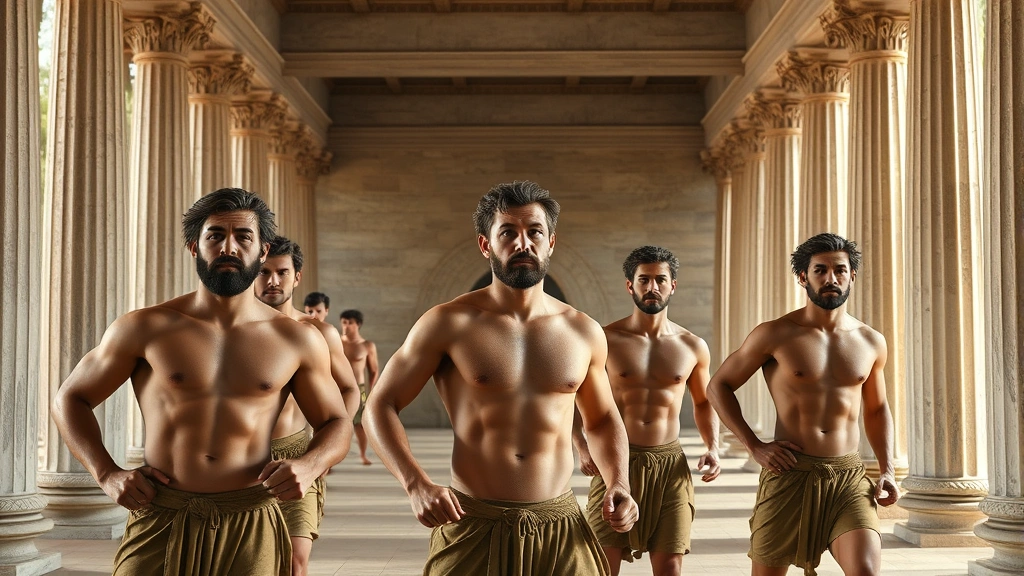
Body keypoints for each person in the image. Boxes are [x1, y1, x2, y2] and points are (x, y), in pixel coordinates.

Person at [51, 188, 352, 576]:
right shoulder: (145, 327)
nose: (229, 247)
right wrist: (107, 473)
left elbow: (337, 422)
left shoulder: (296, 339)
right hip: (161, 512)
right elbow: (70, 399)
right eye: (215, 236)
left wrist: (311, 464)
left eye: (243, 237)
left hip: (252, 517)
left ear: (262, 251)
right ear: (195, 247)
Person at [363, 181, 638, 576]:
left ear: (551, 242)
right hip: (472, 521)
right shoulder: (447, 323)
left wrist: (620, 483)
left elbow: (601, 418)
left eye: (534, 232)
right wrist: (415, 483)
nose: (522, 243)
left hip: (560, 526)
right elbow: (380, 403)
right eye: (508, 232)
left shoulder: (583, 331)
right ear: (485, 244)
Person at [707, 233, 900, 576]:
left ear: (852, 275)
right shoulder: (776, 334)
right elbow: (718, 386)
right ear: (803, 278)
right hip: (789, 472)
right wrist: (754, 446)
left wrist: (887, 470)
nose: (831, 279)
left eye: (840, 270)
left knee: (866, 571)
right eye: (820, 270)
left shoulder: (871, 341)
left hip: (848, 476)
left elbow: (877, 408)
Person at [573, 245, 721, 576]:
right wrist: (581, 445)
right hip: (614, 461)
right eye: (644, 280)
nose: (652, 287)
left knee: (669, 567)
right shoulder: (605, 339)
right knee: (601, 565)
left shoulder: (692, 346)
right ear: (630, 286)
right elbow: (571, 396)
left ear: (673, 285)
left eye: (660, 280)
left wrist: (712, 446)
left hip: (670, 466)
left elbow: (702, 401)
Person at [254, 235, 361, 576]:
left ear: (296, 277)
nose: (272, 280)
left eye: (282, 272)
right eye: (264, 272)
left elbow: (349, 389)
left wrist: (324, 448)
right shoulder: (238, 332)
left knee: (294, 561)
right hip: (244, 459)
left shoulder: (319, 332)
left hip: (297, 451)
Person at [339, 309, 379, 465]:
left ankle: (363, 455)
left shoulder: (367, 346)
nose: (346, 326)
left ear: (358, 325)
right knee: (334, 424)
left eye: (350, 323)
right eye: (344, 322)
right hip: (338, 387)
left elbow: (373, 370)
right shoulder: (336, 342)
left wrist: (371, 392)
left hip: (359, 388)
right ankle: (329, 462)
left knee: (360, 424)